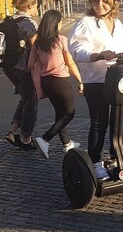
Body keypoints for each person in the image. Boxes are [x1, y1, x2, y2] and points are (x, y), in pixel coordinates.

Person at [69, 0, 123, 180]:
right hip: (96, 80)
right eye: (95, 0)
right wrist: (97, 55)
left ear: (113, 2)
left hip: (118, 80)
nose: (100, 4)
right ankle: (95, 163)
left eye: (105, 1)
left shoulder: (118, 24)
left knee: (118, 123)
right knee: (99, 123)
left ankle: (117, 159)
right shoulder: (85, 23)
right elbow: (77, 49)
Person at [29, 9, 83, 159]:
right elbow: (70, 62)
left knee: (60, 113)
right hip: (60, 81)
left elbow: (31, 63)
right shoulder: (60, 40)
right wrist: (80, 80)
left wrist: (43, 60)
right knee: (69, 113)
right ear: (55, 24)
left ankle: (67, 144)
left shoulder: (38, 43)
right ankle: (45, 139)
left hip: (46, 81)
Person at [1, 0, 40, 150]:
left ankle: (12, 132)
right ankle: (25, 138)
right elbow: (33, 44)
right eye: (35, 6)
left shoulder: (9, 20)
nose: (36, 9)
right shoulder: (28, 22)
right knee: (31, 101)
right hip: (24, 67)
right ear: (29, 6)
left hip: (9, 66)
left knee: (25, 98)